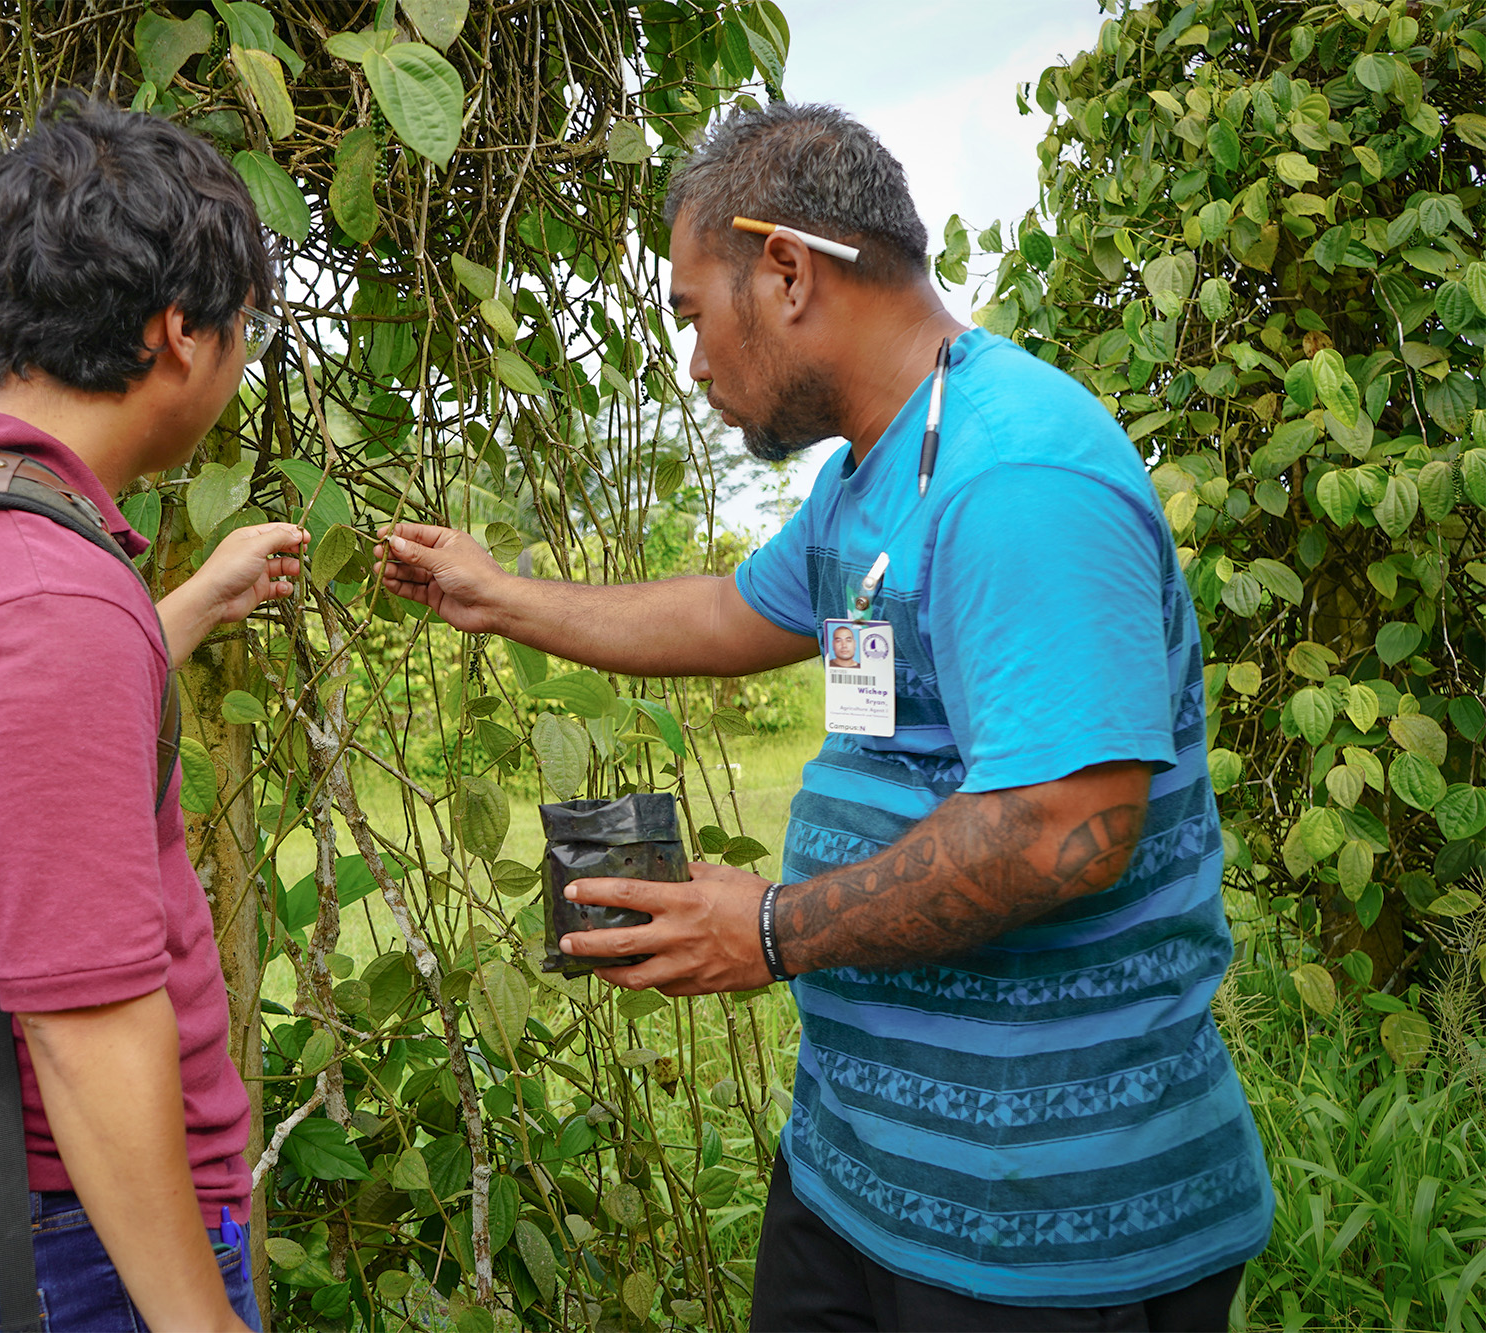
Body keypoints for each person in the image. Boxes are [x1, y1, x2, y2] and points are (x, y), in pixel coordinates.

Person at [380, 103, 1271, 1332]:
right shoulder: (874, 471)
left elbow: (1067, 826)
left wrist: (774, 929)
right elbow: (721, 611)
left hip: (1044, 1234)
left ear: (787, 271)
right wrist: (500, 597)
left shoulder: (1014, 477)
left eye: (692, 312)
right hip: (857, 1182)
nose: (691, 361)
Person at [0, 95, 304, 1333]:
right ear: (178, 335)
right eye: (243, 328)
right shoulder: (44, 603)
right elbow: (85, 1029)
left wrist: (188, 604)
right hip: (51, 1237)